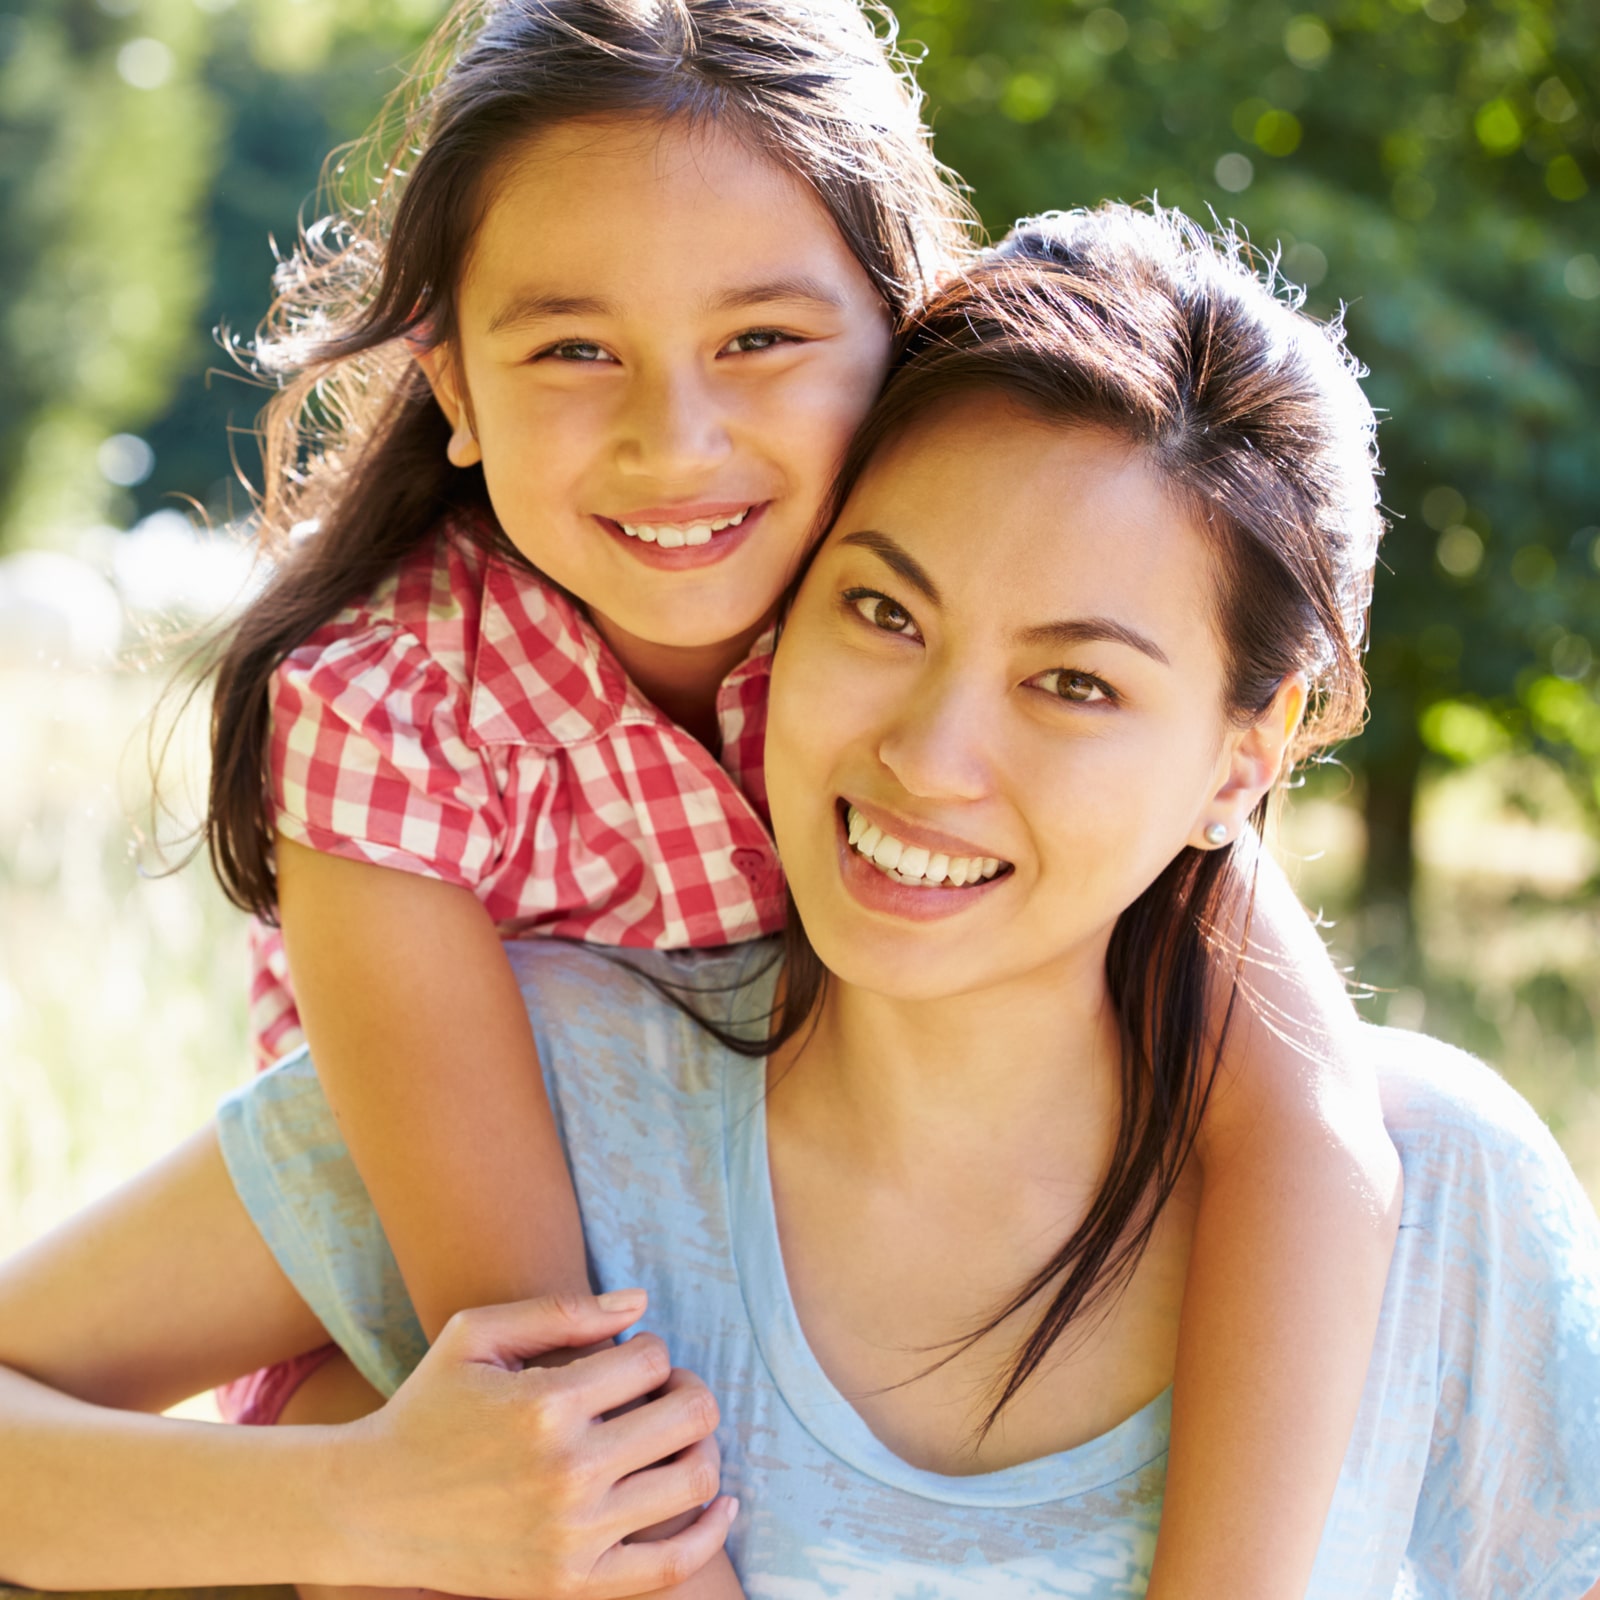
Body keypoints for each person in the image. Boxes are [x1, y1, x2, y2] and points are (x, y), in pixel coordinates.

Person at [3, 203, 1594, 1598]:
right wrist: (359, 1508)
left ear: (1250, 752)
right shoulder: (542, 1090)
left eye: (1074, 683)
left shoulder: (1447, 1199)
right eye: (885, 609)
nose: (930, 755)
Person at [171, 0, 1400, 1591]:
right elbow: (549, 1387)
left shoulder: (935, 647)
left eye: (760, 339)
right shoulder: (391, 714)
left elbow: (1310, 1121)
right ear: (452, 381)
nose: (675, 442)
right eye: (570, 349)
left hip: (831, 1290)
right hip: (458, 1351)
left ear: (905, 344)